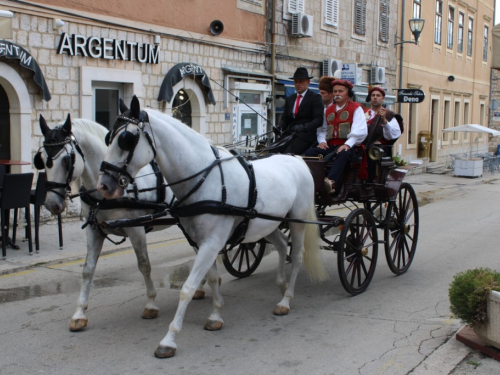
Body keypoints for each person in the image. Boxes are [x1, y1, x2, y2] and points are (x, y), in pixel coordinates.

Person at [305, 79, 367, 194]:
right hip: (331, 145)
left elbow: (360, 130)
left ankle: (331, 182)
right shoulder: (327, 110)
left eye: (340, 91)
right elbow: (322, 129)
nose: (337, 94)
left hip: (350, 146)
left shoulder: (356, 108)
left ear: (348, 93)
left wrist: (347, 144)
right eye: (335, 91)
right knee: (310, 153)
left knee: (342, 154)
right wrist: (322, 141)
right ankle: (312, 181)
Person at [273, 67, 324, 154]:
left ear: (308, 82)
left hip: (306, 136)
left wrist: (303, 127)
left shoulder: (315, 98)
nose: (298, 84)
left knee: (288, 153)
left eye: (301, 81)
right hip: (290, 134)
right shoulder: (290, 99)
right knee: (272, 150)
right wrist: (280, 127)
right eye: (296, 82)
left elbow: (318, 120)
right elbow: (285, 119)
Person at [364, 87, 402, 182]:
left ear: (383, 98)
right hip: (362, 145)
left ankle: (370, 180)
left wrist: (384, 121)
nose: (375, 97)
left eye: (378, 95)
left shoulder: (389, 115)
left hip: (380, 148)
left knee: (372, 150)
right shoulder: (363, 113)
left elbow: (392, 135)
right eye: (373, 95)